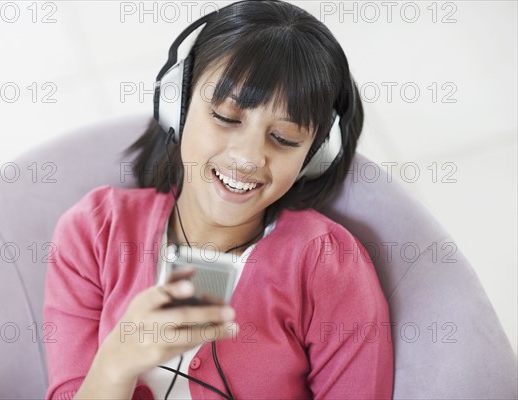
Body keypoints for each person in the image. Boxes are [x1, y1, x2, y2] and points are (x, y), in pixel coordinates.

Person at [43, 1, 394, 399]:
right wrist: (115, 365)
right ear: (178, 104)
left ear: (315, 155)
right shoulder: (94, 231)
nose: (247, 157)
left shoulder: (328, 266)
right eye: (227, 118)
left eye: (284, 139)